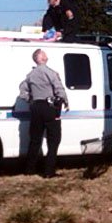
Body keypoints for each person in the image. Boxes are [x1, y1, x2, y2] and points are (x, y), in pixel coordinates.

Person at [19, 49, 68, 178]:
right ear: (39, 58)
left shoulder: (30, 74)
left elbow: (22, 91)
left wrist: (30, 100)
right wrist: (65, 101)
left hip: (35, 108)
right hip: (49, 108)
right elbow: (59, 89)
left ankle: (29, 170)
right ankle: (48, 171)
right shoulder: (50, 72)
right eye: (44, 53)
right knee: (54, 140)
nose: (46, 55)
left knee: (35, 140)